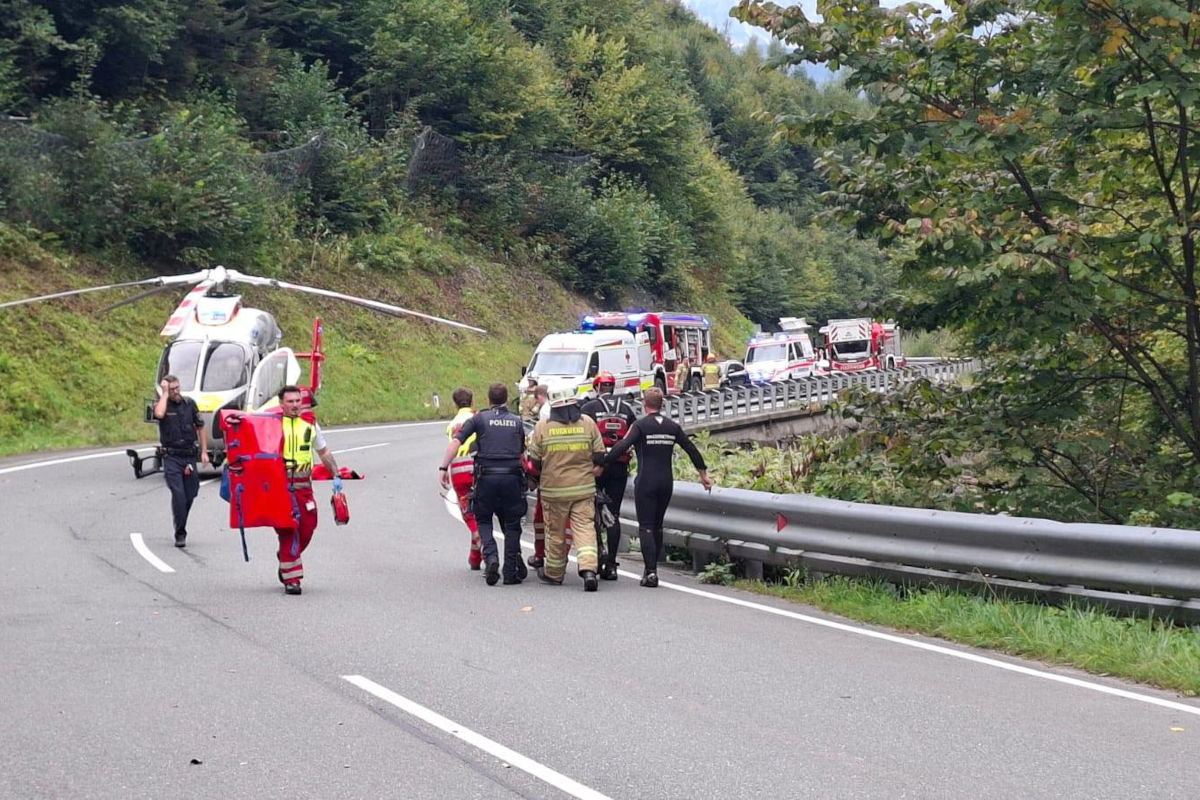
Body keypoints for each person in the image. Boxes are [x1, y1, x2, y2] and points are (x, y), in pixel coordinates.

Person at [605, 387, 713, 588]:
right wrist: (703, 474)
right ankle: (651, 570)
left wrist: (604, 462)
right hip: (666, 482)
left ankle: (651, 572)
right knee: (657, 525)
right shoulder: (672, 426)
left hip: (646, 481)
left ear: (644, 404)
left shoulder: (640, 426)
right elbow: (691, 448)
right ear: (662, 404)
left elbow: (622, 445)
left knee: (646, 526)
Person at [440, 382, 528, 586]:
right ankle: (510, 572)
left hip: (486, 478)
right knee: (512, 524)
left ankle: (491, 557)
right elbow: (522, 454)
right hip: (511, 478)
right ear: (507, 399)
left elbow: (456, 443)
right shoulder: (516, 421)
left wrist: (443, 468)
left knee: (484, 519)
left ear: (488, 400)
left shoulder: (479, 419)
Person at [526, 388, 606, 591]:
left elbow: (534, 462)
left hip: (554, 491)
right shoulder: (588, 423)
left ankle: (554, 573)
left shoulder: (542, 427)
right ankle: (588, 570)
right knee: (585, 529)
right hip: (583, 489)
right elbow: (599, 455)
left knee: (556, 533)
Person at [276, 384, 342, 595]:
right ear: (281, 404)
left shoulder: (310, 424)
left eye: (298, 401)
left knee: (308, 527)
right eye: (290, 401)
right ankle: (292, 579)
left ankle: (286, 558)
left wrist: (336, 474)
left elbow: (323, 452)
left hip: (304, 488)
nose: (295, 405)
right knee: (289, 530)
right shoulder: (273, 423)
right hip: (281, 489)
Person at [580, 372, 637, 581]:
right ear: (613, 388)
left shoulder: (588, 408)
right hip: (619, 467)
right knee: (613, 514)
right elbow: (633, 436)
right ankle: (612, 565)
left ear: (597, 388)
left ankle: (596, 555)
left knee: (589, 513)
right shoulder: (627, 408)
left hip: (595, 467)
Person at [153, 375, 209, 548]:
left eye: (177, 387)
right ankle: (180, 532)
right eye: (172, 389)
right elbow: (159, 414)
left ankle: (180, 521)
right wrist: (164, 394)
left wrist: (204, 451)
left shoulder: (189, 404)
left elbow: (200, 427)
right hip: (171, 456)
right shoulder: (163, 404)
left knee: (191, 493)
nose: (176, 392)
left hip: (189, 455)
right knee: (178, 493)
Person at [446, 387, 483, 570]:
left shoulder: (451, 425)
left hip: (458, 470)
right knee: (480, 513)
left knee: (468, 512)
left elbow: (453, 446)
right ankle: (478, 553)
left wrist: (443, 468)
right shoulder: (478, 417)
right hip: (477, 467)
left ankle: (476, 554)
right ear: (472, 401)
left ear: (455, 404)